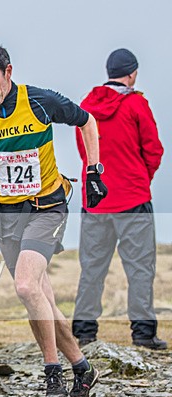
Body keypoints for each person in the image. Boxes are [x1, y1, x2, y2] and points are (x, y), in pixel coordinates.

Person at [0, 42, 106, 397]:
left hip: (47, 207)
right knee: (38, 297)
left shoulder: (40, 101)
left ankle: (51, 371)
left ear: (8, 72)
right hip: (6, 216)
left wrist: (93, 169)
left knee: (27, 286)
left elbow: (87, 120)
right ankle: (81, 368)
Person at [72, 49, 166, 351]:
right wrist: (140, 178)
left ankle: (84, 332)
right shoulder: (136, 104)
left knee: (92, 268)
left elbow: (84, 153)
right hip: (133, 198)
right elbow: (154, 150)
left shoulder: (86, 107)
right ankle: (143, 333)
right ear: (132, 73)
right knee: (140, 268)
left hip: (95, 201)